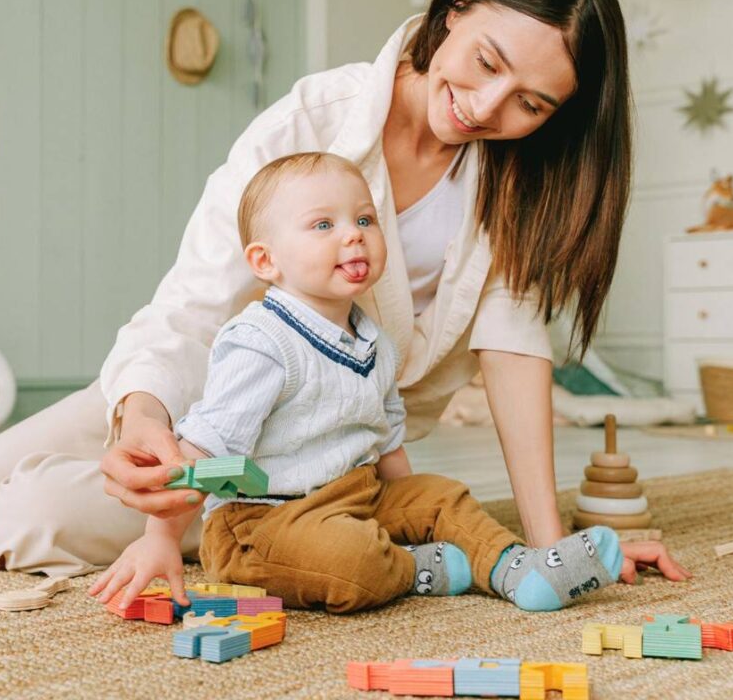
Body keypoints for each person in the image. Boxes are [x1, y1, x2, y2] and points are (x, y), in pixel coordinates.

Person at [0, 0, 690, 586]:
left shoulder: (517, 185)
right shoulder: (316, 118)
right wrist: (140, 419)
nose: (486, 107)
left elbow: (513, 354)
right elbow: (193, 305)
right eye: (486, 62)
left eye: (530, 103)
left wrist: (551, 548)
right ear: (458, 3)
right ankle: (241, 517)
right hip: (209, 388)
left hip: (321, 449)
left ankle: (278, 526)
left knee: (37, 512)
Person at [88, 152, 626, 614]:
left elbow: (386, 437)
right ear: (265, 260)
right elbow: (205, 451)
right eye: (324, 225)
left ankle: (520, 571)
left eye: (365, 220)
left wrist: (413, 511)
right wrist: (158, 538)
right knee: (352, 559)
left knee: (444, 496)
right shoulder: (261, 342)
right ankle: (415, 569)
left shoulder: (374, 340)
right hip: (262, 524)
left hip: (355, 495)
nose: (354, 235)